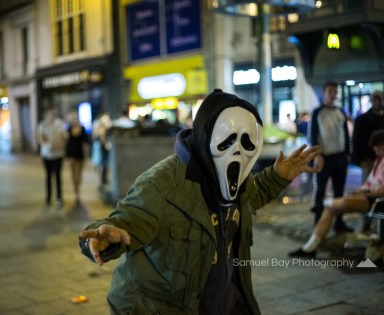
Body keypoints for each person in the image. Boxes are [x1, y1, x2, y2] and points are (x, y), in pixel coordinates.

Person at [78, 89, 321, 314]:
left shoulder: (239, 181)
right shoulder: (162, 184)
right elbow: (128, 221)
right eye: (227, 141)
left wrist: (277, 177)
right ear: (206, 136)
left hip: (225, 301)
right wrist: (105, 239)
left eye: (247, 143)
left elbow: (249, 198)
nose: (237, 152)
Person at [290, 129, 384, 258]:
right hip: (368, 195)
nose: (374, 149)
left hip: (377, 199)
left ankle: (311, 245)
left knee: (337, 204)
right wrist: (361, 190)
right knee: (330, 209)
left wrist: (367, 193)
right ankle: (310, 247)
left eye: (377, 146)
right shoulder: (379, 161)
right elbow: (371, 182)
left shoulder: (380, 161)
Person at [309, 80, 352, 232]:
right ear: (324, 92)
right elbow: (313, 136)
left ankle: (339, 222)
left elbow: (345, 134)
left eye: (335, 91)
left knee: (339, 191)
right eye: (330, 91)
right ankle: (318, 223)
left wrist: (347, 153)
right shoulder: (317, 112)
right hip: (324, 157)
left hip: (340, 157)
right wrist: (317, 155)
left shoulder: (340, 111)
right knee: (320, 191)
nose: (333, 95)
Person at [352, 91, 384, 231]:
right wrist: (360, 159)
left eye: (380, 99)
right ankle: (367, 221)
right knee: (368, 188)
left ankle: (379, 221)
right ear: (371, 101)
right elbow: (356, 141)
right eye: (375, 99)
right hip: (369, 159)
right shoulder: (363, 119)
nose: (377, 102)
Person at [37, 107, 67, 209]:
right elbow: (41, 137)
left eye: (54, 113)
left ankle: (59, 198)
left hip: (58, 154)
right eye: (50, 113)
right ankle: (48, 197)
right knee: (48, 176)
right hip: (47, 154)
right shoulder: (43, 124)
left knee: (58, 176)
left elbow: (64, 136)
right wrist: (47, 143)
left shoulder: (60, 124)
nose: (52, 115)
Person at [65, 113, 90, 204]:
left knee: (79, 174)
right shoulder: (68, 129)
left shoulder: (82, 129)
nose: (75, 120)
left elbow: (86, 141)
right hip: (71, 154)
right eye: (73, 118)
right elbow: (66, 142)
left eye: (76, 118)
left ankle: (78, 189)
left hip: (80, 154)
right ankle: (75, 190)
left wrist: (87, 152)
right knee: (73, 173)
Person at [92, 111, 112, 188]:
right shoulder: (99, 125)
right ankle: (101, 181)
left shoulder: (106, 126)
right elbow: (98, 137)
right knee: (101, 164)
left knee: (105, 164)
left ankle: (103, 179)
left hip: (104, 147)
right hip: (100, 147)